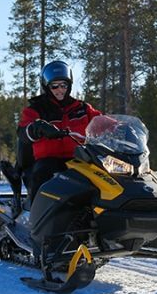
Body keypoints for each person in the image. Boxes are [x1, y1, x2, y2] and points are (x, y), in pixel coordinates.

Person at [17, 60, 102, 200]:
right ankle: (36, 216)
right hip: (49, 160)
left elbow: (102, 121)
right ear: (47, 87)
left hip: (79, 158)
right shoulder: (36, 109)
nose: (59, 90)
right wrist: (38, 128)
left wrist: (120, 127)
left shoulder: (83, 109)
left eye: (63, 85)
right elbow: (23, 131)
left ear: (69, 85)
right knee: (43, 174)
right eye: (54, 86)